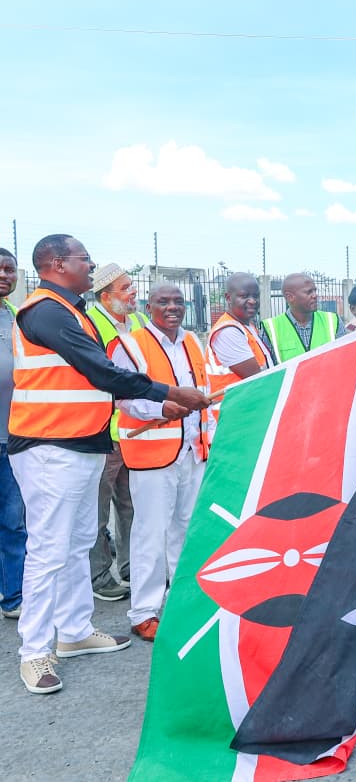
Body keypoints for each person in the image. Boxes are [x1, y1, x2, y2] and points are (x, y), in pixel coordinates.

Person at [9, 234, 210, 694]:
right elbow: (99, 371)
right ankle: (35, 651)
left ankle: (76, 632)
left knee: (80, 539)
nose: (91, 265)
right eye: (84, 259)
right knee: (49, 549)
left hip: (80, 444)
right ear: (58, 264)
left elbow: (99, 380)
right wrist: (167, 392)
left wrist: (160, 407)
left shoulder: (72, 311)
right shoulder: (44, 310)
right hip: (49, 444)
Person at [108, 283, 212, 642]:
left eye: (178, 302)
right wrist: (162, 408)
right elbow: (123, 398)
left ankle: (182, 602)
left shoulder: (193, 342)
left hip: (192, 451)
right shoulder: (131, 344)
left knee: (185, 530)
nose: (172, 307)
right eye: (163, 301)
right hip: (153, 453)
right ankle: (144, 612)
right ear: (148, 305)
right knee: (151, 533)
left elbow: (205, 389)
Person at [86, 262, 149, 602]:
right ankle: (99, 576)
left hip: (135, 428)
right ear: (106, 296)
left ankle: (131, 566)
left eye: (131, 286)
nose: (133, 293)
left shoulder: (137, 321)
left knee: (130, 502)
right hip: (104, 429)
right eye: (126, 288)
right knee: (98, 506)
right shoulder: (91, 323)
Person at [205, 273, 274, 423]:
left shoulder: (246, 326)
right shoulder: (228, 332)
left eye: (256, 296)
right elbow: (257, 377)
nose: (252, 301)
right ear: (229, 298)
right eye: (244, 296)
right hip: (232, 417)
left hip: (246, 412)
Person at [0, 248, 25, 621]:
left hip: (13, 436)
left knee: (14, 520)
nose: (5, 275)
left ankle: (14, 596)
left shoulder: (16, 317)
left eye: (9, 269)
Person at [260, 273, 344, 364]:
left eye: (315, 291)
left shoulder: (333, 321)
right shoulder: (270, 328)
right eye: (309, 292)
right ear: (290, 297)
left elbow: (344, 357)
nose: (315, 296)